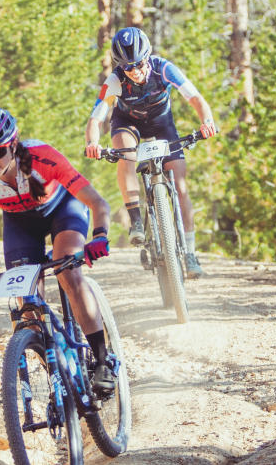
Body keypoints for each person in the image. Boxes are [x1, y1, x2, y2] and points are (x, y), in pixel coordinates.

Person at [0, 107, 119, 393]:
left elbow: (98, 202)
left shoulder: (41, 157)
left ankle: (103, 359)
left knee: (67, 272)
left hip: (63, 210)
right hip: (20, 223)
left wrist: (99, 236)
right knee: (28, 311)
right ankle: (63, 377)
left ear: (12, 144)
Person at [84, 26, 216, 278]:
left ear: (148, 56)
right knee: (126, 153)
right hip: (127, 122)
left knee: (181, 185)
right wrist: (93, 143)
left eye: (138, 64)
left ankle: (189, 252)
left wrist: (207, 122)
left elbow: (195, 98)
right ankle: (135, 219)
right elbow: (96, 118)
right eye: (127, 67)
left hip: (161, 122)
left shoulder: (164, 68)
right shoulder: (114, 80)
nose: (134, 71)